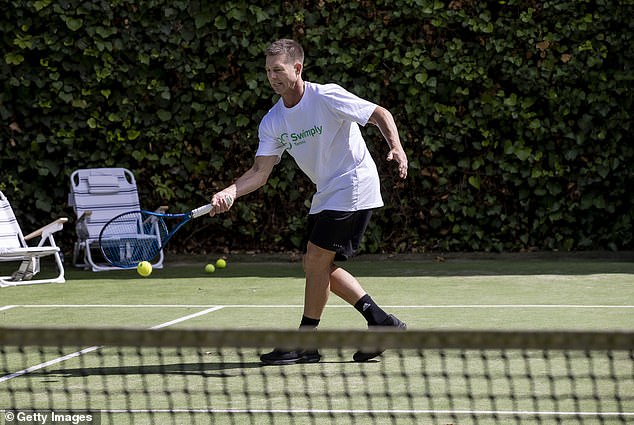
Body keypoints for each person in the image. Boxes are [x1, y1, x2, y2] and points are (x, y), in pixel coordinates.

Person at [209, 39, 408, 365]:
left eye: (278, 70)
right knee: (319, 267)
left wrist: (396, 147)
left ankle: (305, 342)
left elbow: (377, 113)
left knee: (315, 260)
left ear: (297, 68)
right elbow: (260, 172)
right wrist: (230, 190)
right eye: (268, 71)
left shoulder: (326, 96)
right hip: (326, 191)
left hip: (354, 182)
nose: (272, 77)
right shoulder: (273, 120)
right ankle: (382, 322)